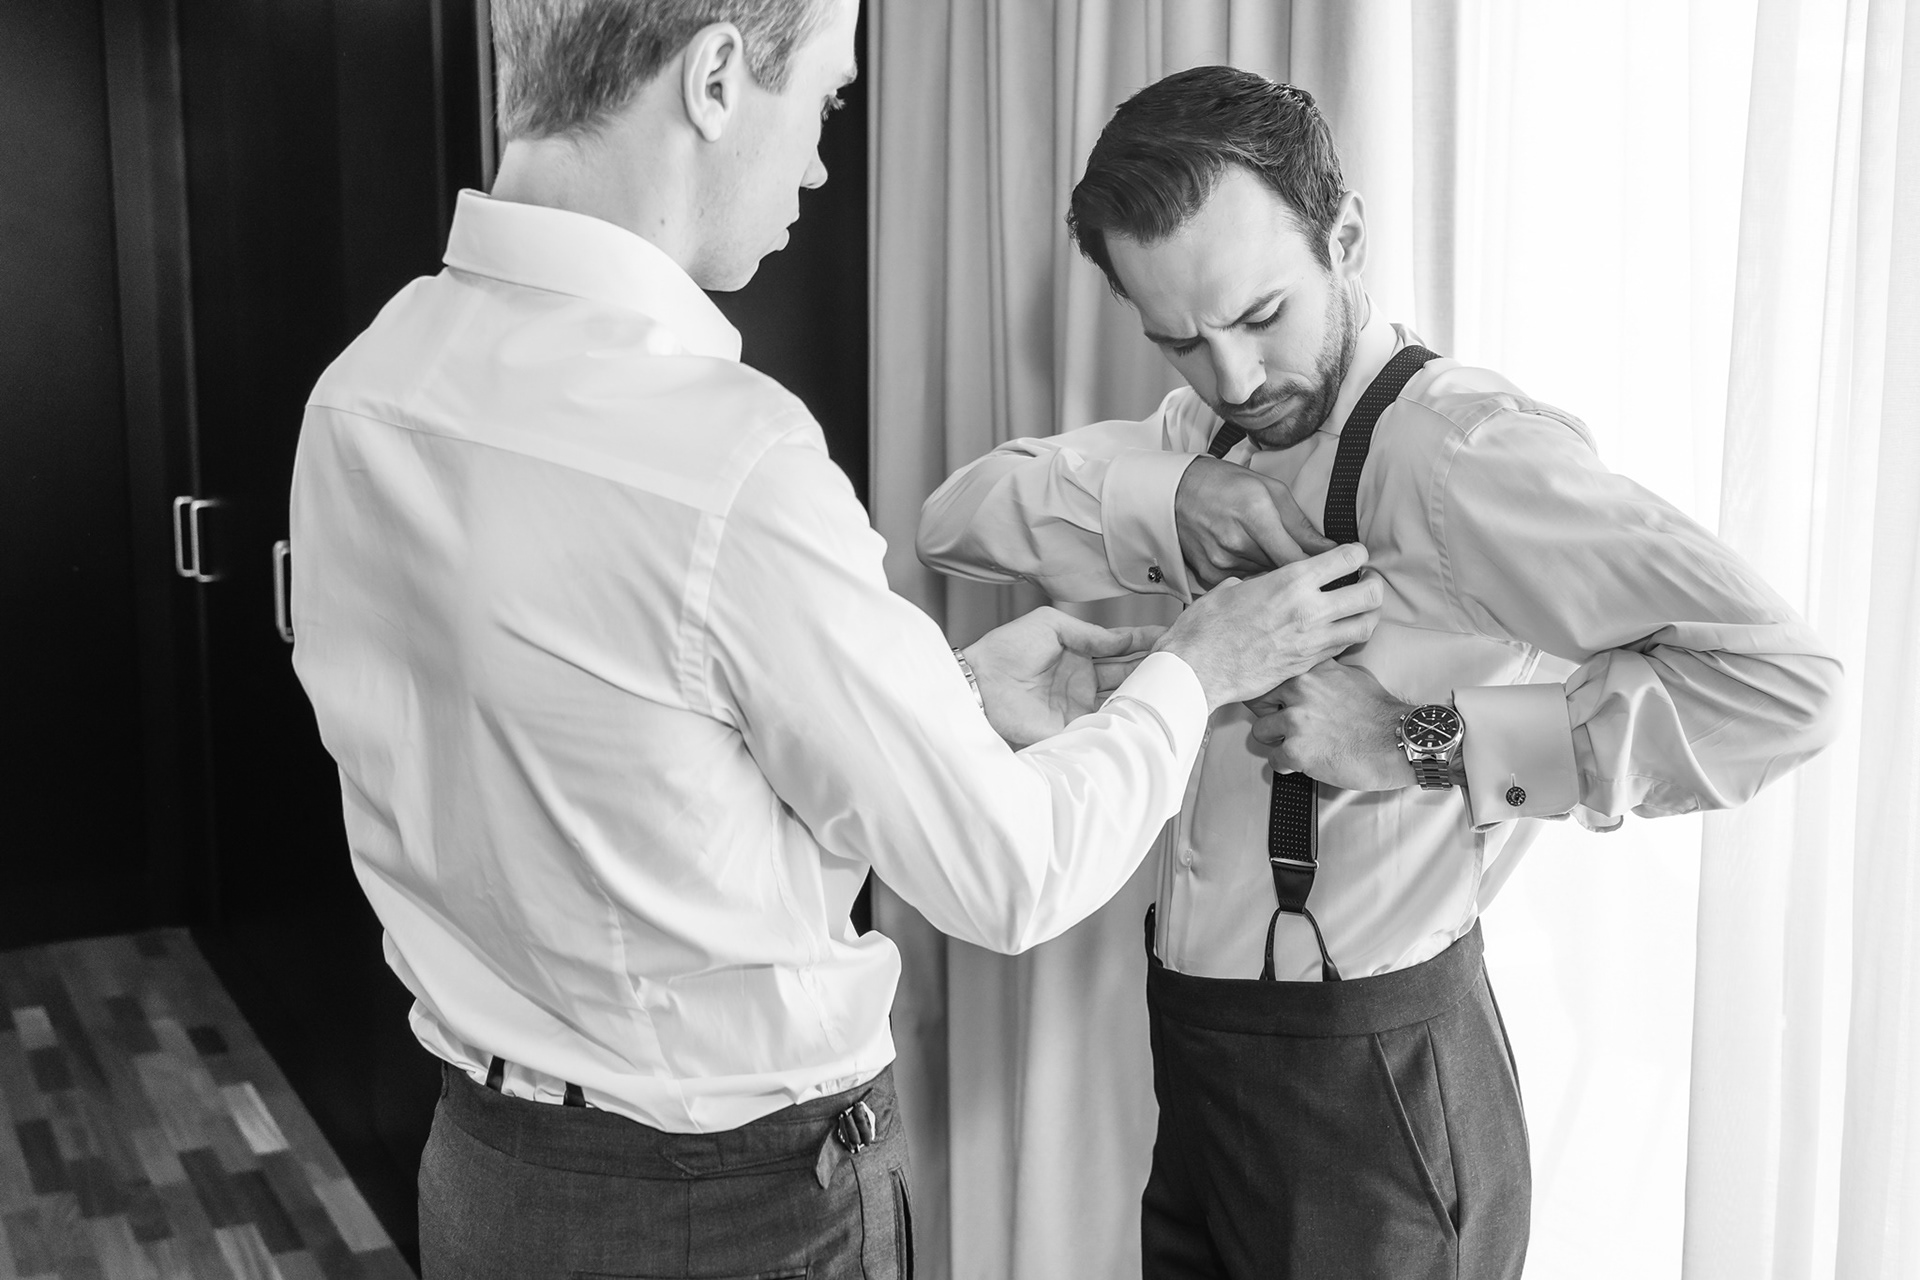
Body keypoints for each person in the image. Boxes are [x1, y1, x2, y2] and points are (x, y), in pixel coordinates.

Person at [287, 7, 1382, 1279]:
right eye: (826, 99)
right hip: (731, 1210)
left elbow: (591, 745)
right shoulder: (725, 459)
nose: (817, 161)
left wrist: (949, 695)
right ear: (714, 78)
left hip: (490, 1178)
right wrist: (1199, 669)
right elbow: (1010, 871)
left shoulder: (360, 391)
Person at [918, 67, 1842, 1280]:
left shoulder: (1461, 459)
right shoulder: (1206, 439)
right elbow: (956, 519)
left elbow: (1788, 687)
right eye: (1180, 340)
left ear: (1345, 239)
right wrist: (1173, 494)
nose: (1233, 378)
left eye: (1262, 315)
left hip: (1373, 1108)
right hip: (1204, 1066)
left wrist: (1421, 740)